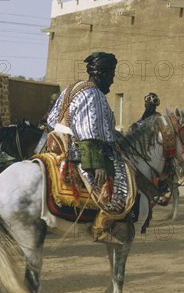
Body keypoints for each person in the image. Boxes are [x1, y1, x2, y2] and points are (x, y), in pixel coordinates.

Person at [50, 52, 128, 243]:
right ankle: (100, 228)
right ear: (102, 74)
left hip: (55, 142)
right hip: (81, 149)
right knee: (120, 181)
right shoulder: (95, 95)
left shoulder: (73, 86)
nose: (112, 80)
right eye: (111, 74)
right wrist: (98, 164)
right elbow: (90, 134)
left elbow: (52, 118)